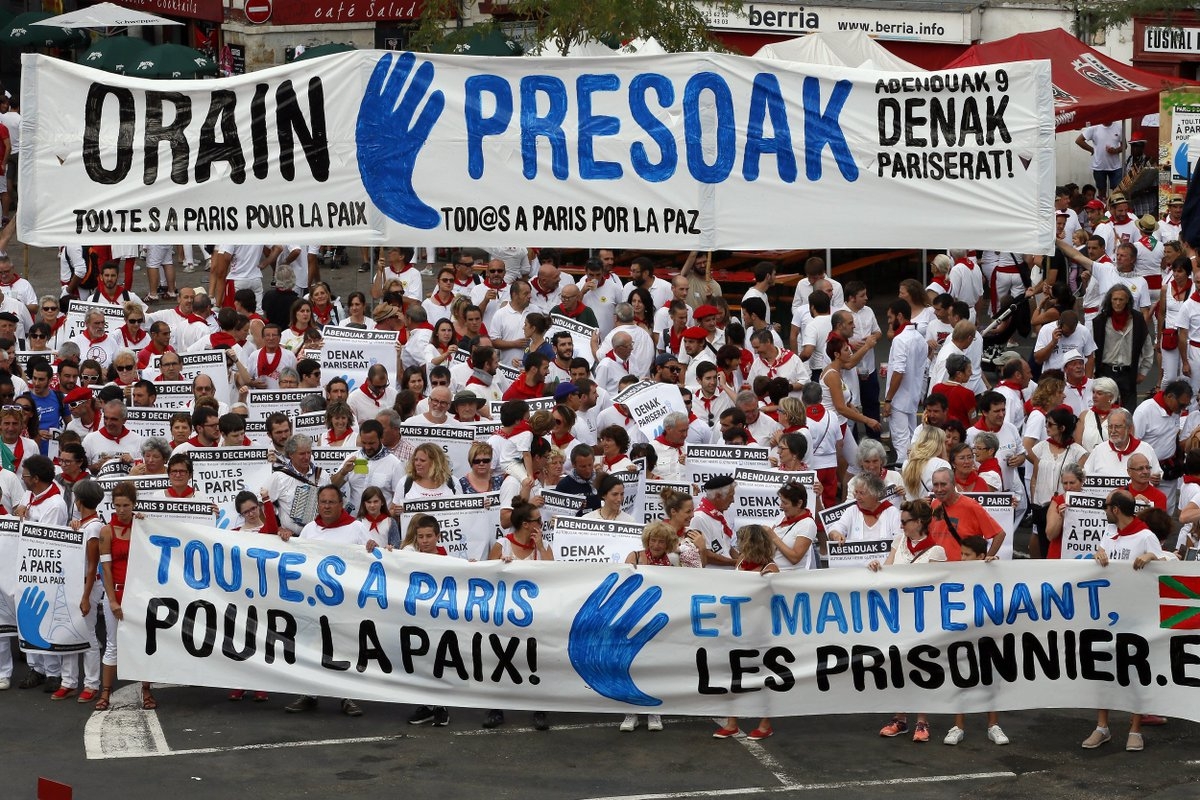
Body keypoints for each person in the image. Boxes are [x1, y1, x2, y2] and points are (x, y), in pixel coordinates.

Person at [1083, 490, 1168, 752]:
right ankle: (1102, 727)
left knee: (1135, 669)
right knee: (1102, 669)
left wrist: (1152, 557)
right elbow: (1102, 553)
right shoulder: (1109, 534)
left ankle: (1135, 728)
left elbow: (1165, 565)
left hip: (1136, 614)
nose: (1105, 510)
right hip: (1108, 612)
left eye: (1106, 506)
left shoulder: (1145, 536)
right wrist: (1098, 554)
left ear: (1116, 509)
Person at [284, 485, 380, 717]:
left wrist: (373, 547)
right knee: (311, 645)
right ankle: (309, 693)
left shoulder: (356, 528)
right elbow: (298, 557)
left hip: (345, 601)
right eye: (323, 502)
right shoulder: (309, 529)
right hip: (314, 600)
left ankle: (347, 697)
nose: (326, 506)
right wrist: (286, 539)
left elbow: (374, 554)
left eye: (331, 502)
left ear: (340, 504)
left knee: (344, 646)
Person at [870, 499, 947, 742]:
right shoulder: (899, 542)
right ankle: (900, 718)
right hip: (898, 615)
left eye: (905, 522)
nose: (901, 525)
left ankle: (922, 721)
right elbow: (888, 571)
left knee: (922, 666)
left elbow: (937, 587)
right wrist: (876, 566)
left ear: (920, 522)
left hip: (924, 618)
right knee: (898, 666)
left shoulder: (936, 551)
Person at [483, 498, 552, 731]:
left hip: (534, 615)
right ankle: (496, 708)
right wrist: (499, 566)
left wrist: (541, 546)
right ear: (525, 524)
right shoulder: (502, 545)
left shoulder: (541, 547)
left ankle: (539, 708)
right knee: (501, 659)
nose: (541, 524)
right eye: (538, 521)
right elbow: (485, 577)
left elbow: (556, 574)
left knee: (534, 660)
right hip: (504, 614)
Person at [714, 524, 780, 741]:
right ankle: (732, 722)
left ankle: (765, 723)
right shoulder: (741, 563)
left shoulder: (770, 568)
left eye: (742, 541)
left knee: (762, 676)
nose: (738, 545)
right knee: (733, 673)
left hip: (761, 630)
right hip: (737, 627)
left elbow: (776, 600)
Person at [943, 533, 1010, 746]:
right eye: (961, 553)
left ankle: (993, 725)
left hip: (988, 634)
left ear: (982, 556)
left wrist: (995, 565)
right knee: (961, 677)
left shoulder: (994, 572)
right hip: (962, 634)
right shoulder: (956, 574)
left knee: (990, 679)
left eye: (967, 555)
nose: (962, 558)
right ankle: (958, 726)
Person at [95, 483, 153, 711]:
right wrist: (112, 600)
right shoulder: (106, 531)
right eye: (117, 505)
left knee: (143, 644)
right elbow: (105, 569)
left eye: (126, 505)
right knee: (112, 644)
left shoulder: (141, 525)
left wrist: (145, 521)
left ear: (134, 504)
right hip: (116, 593)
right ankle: (105, 692)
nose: (121, 510)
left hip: (139, 595)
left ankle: (146, 689)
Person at [1028, 407, 1087, 557]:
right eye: (1046, 424)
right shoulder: (1041, 447)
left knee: (1061, 547)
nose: (1046, 428)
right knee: (1043, 545)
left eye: (1050, 425)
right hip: (1042, 506)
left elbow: (1079, 481)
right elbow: (1035, 476)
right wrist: (1034, 499)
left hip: (1063, 508)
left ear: (1062, 428)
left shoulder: (1077, 451)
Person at [882, 298, 927, 461]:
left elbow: (899, 372)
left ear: (899, 316)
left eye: (890, 317)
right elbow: (922, 369)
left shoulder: (900, 340)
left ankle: (904, 482)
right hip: (913, 398)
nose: (888, 321)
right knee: (912, 444)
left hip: (899, 401)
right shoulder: (920, 338)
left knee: (901, 446)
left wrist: (888, 399)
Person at [769, 481, 818, 570]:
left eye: (785, 503)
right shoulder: (783, 516)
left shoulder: (808, 524)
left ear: (799, 503)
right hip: (771, 572)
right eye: (781, 502)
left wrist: (773, 537)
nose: (781, 506)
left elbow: (795, 558)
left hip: (790, 577)